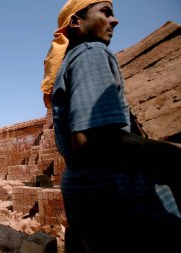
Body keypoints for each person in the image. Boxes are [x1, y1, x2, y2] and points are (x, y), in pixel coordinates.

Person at [42, 1, 181, 252]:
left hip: (87, 197)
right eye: (106, 12)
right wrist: (172, 157)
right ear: (76, 22)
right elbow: (91, 139)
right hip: (119, 200)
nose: (114, 20)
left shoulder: (70, 62)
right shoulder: (91, 52)